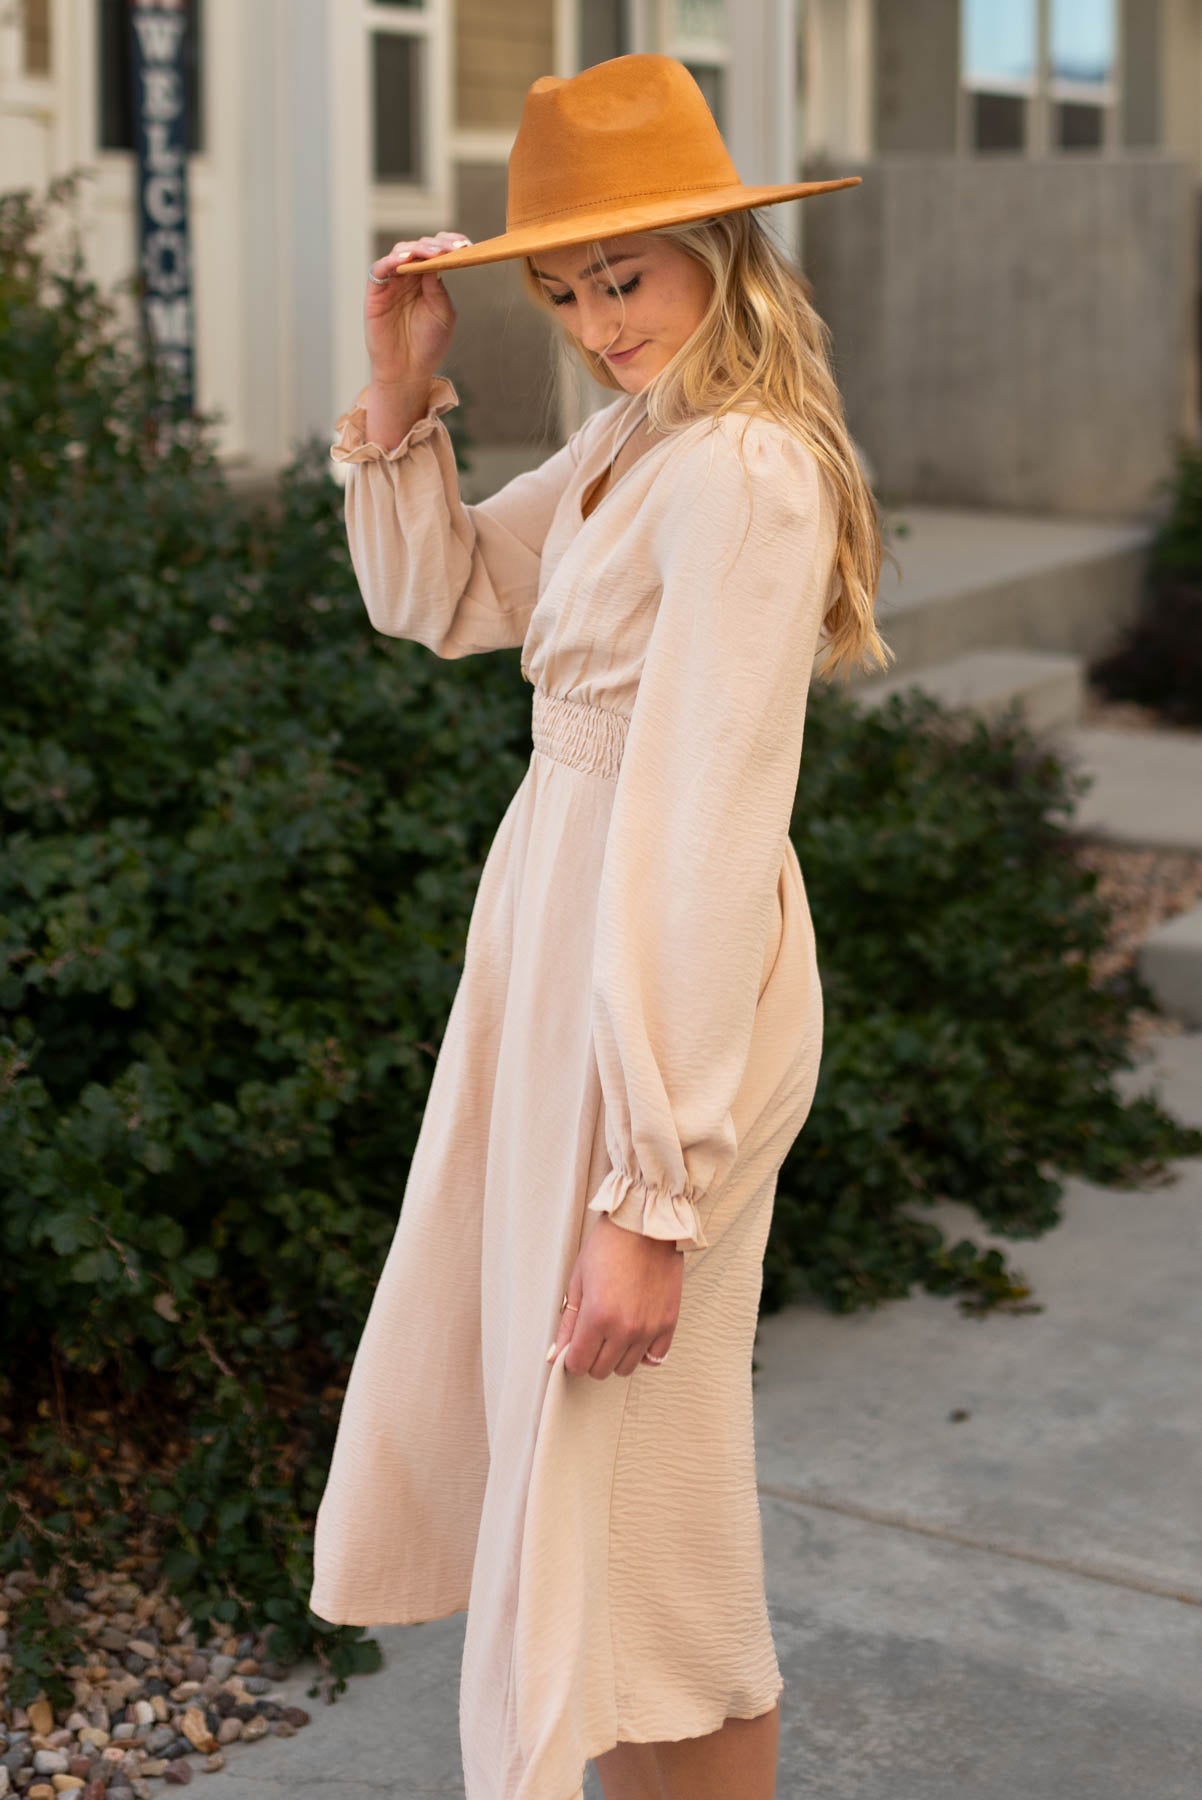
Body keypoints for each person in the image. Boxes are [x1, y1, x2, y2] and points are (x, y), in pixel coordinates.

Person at [309, 51, 889, 1800]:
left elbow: (706, 830)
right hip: (565, 947)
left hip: (662, 985)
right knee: (604, 1518)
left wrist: (655, 1196)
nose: (594, 320)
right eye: (562, 291)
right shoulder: (646, 437)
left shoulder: (745, 475)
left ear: (718, 246)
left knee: (645, 1516)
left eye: (620, 275)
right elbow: (445, 596)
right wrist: (402, 393)